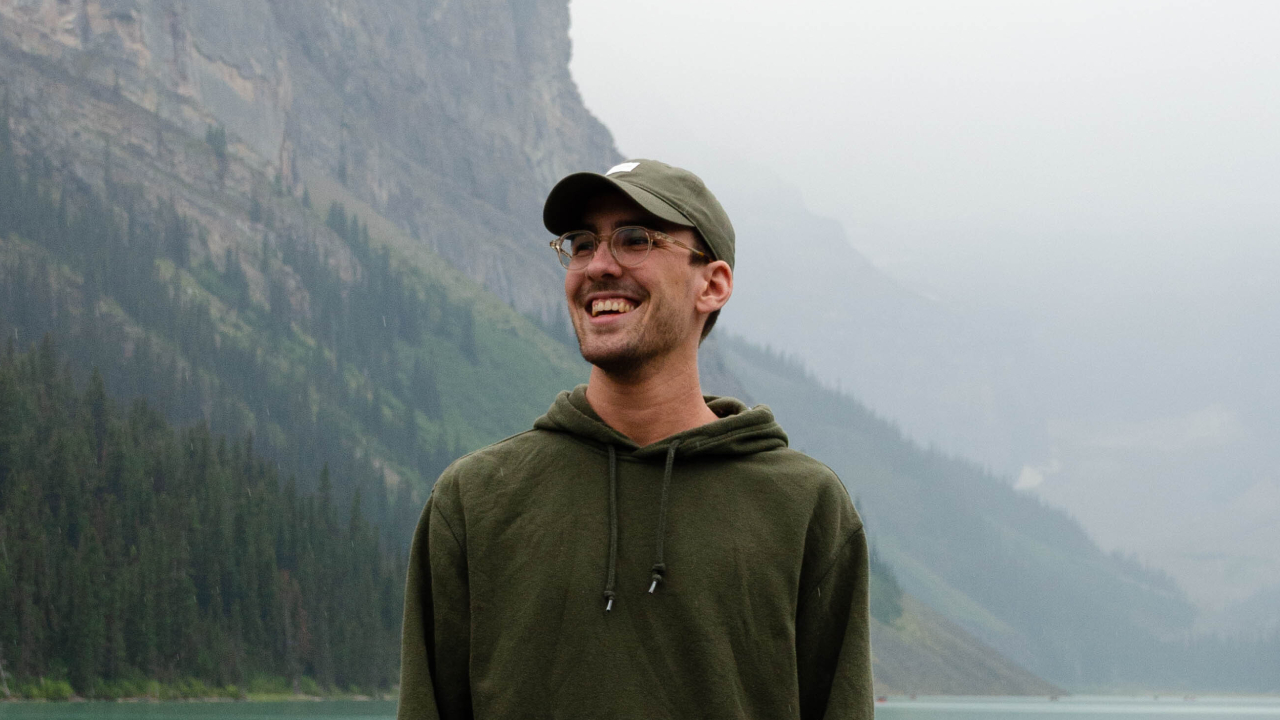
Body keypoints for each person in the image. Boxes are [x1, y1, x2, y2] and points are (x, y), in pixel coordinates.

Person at [397, 159, 873, 719]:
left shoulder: (806, 507)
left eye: (634, 239)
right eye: (580, 243)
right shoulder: (474, 501)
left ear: (712, 284)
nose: (597, 266)